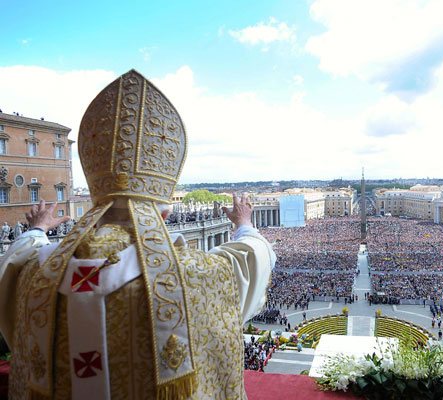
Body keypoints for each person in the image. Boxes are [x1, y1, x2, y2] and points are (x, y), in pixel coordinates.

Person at [0, 70, 275, 400]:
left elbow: (15, 261)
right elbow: (250, 258)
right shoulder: (196, 275)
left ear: (95, 204)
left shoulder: (36, 273)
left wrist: (36, 229)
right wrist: (243, 222)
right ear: (164, 212)